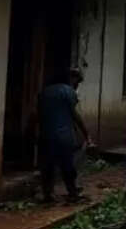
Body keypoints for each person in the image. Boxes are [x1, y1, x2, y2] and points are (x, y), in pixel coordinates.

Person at [37, 68, 93, 204]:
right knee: (67, 165)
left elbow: (38, 114)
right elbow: (75, 115)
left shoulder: (45, 92)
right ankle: (72, 193)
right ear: (72, 78)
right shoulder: (68, 91)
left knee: (48, 166)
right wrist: (86, 134)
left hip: (46, 134)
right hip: (64, 135)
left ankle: (48, 194)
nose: (77, 85)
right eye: (77, 82)